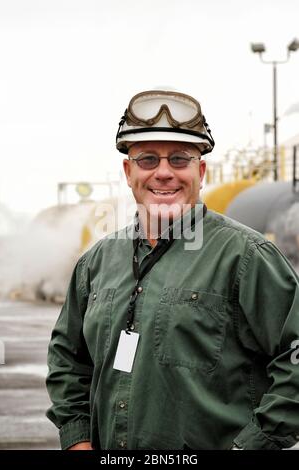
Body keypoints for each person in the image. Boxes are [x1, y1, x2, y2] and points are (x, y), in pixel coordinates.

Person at [46, 90, 299, 450]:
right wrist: (78, 439)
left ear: (201, 170)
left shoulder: (246, 257)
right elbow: (68, 359)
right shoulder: (96, 263)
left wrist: (253, 444)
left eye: (179, 159)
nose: (163, 173)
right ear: (128, 170)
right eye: (148, 159)